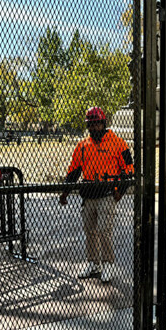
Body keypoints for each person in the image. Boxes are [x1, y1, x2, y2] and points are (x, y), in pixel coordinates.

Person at [60, 107, 134, 282]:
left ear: (103, 124)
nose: (94, 128)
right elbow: (74, 171)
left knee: (104, 230)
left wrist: (120, 192)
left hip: (108, 193)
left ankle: (108, 264)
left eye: (97, 124)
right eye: (91, 125)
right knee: (90, 231)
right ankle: (93, 264)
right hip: (89, 193)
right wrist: (65, 192)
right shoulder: (83, 145)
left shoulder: (118, 143)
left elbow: (129, 169)